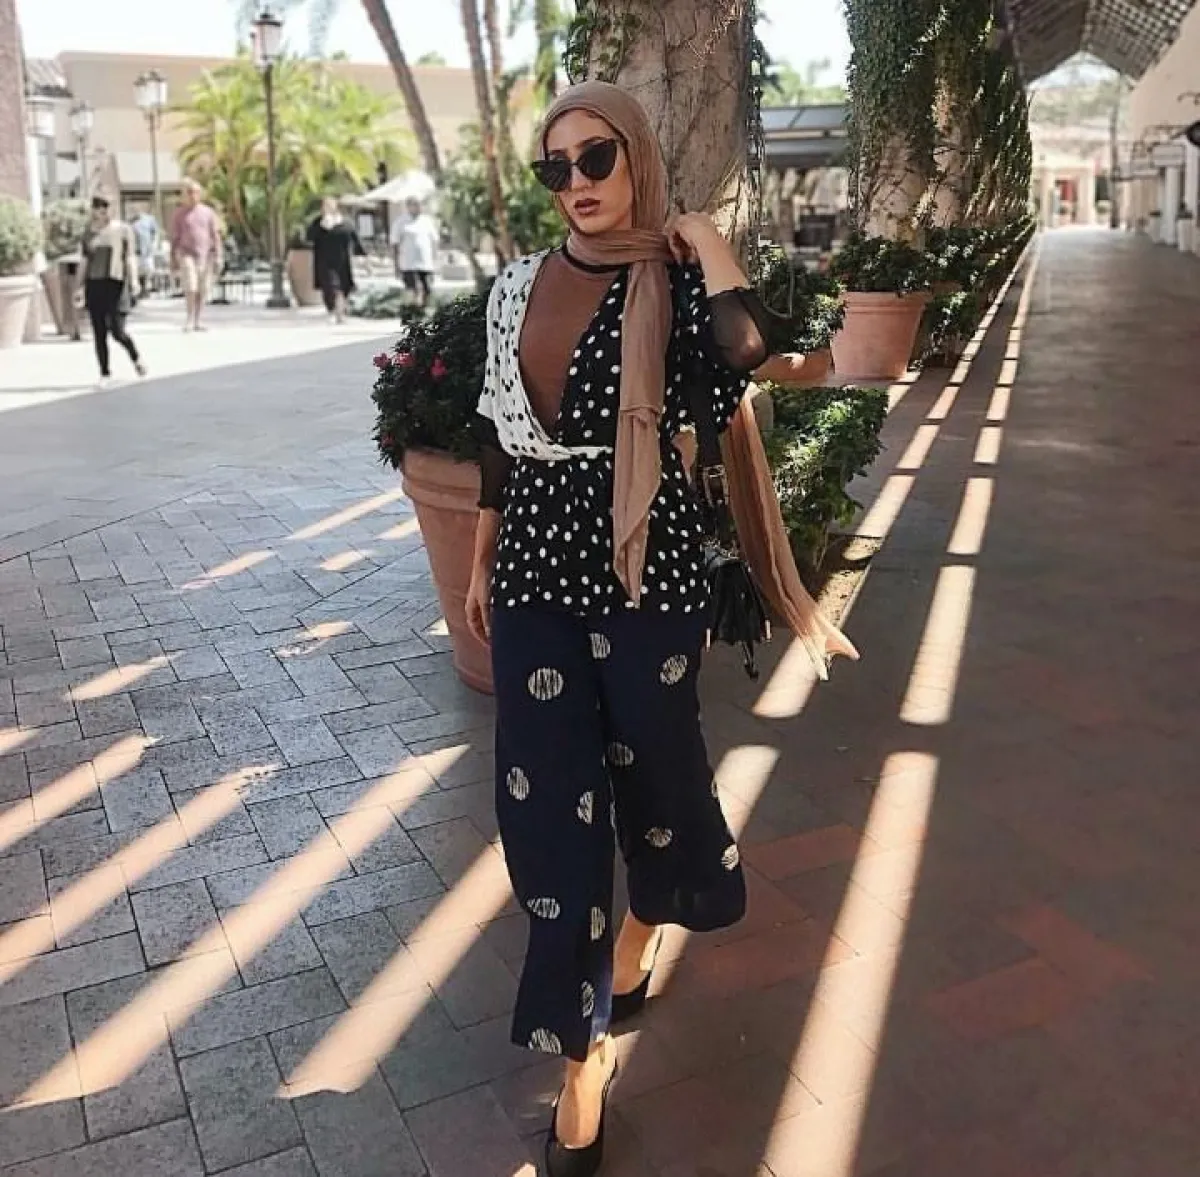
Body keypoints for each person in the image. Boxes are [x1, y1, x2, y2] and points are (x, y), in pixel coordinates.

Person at [464, 81, 858, 1177]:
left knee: (661, 772)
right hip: (537, 564)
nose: (577, 183)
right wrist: (483, 554)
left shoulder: (679, 289)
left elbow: (747, 346)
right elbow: (497, 433)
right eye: (556, 168)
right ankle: (581, 1052)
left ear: (636, 157)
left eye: (597, 158)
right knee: (548, 807)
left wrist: (705, 238)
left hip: (648, 566)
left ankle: (644, 924)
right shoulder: (513, 287)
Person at [79, 194, 146, 384]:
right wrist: (79, 286)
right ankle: (105, 372)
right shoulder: (88, 233)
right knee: (99, 331)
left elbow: (129, 257)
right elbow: (84, 261)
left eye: (106, 207)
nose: (103, 211)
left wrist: (134, 280)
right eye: (98, 207)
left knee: (117, 331)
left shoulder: (123, 230)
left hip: (115, 283)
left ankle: (136, 357)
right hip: (95, 283)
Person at [170, 179, 223, 332]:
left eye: (196, 192)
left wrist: (219, 255)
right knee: (191, 287)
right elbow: (175, 237)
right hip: (186, 253)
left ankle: (198, 320)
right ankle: (189, 318)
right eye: (190, 192)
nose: (193, 195)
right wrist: (172, 258)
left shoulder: (208, 212)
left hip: (206, 255)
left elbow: (215, 235)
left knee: (202, 289)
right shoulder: (179, 214)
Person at [306, 196, 364, 323]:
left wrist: (362, 256)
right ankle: (336, 312)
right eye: (324, 206)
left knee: (344, 288)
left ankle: (340, 311)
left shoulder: (345, 222)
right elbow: (309, 237)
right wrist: (322, 225)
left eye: (330, 206)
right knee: (332, 287)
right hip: (325, 262)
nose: (327, 209)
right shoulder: (318, 223)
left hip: (342, 262)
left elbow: (355, 239)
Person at [395, 196, 438, 308]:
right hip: (409, 264)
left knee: (427, 289)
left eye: (420, 204)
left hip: (426, 263)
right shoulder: (401, 222)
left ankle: (423, 309)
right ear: (408, 206)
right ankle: (414, 311)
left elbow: (434, 241)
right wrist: (396, 265)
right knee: (414, 289)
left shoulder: (427, 221)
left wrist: (435, 260)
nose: (419, 207)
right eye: (415, 205)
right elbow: (395, 243)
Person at [129, 207, 159, 299]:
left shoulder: (150, 219)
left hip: (147, 250)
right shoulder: (130, 222)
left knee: (149, 269)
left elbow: (155, 232)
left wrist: (154, 244)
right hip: (136, 250)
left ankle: (146, 287)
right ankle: (141, 289)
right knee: (138, 271)